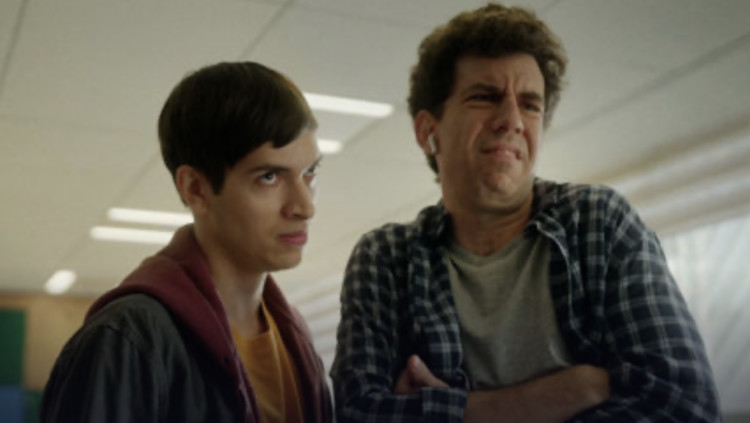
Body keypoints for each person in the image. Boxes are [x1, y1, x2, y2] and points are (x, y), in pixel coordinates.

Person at [330, 3, 720, 422]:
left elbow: (685, 405)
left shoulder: (599, 222)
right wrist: (568, 391)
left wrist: (452, 411)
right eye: (485, 97)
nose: (512, 120)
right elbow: (359, 413)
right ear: (428, 131)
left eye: (530, 105)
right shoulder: (387, 258)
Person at [41, 62, 332, 422]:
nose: (305, 207)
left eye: (310, 172)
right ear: (195, 188)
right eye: (269, 177)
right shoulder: (125, 340)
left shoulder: (296, 336)